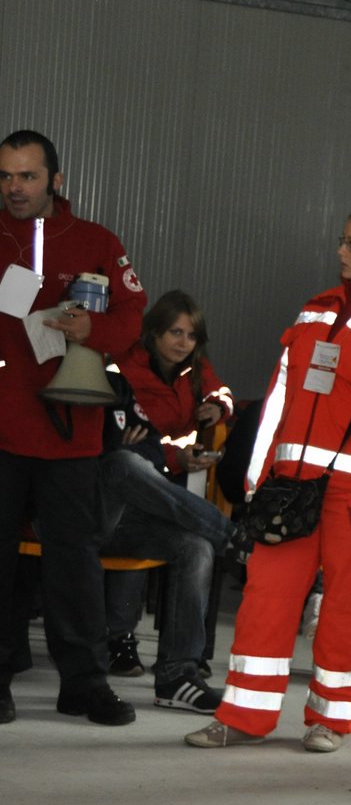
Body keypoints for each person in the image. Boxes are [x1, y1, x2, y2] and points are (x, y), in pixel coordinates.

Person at [184, 203, 351, 752]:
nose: (342, 252)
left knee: (349, 605)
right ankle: (243, 714)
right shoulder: (316, 310)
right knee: (266, 598)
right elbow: (279, 397)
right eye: (344, 241)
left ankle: (331, 717)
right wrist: (257, 479)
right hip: (290, 485)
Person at [0, 129, 146, 726]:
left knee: (75, 561)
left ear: (56, 181)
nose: (15, 188)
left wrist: (95, 332)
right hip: (2, 430)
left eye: (27, 176)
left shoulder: (96, 242)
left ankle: (83, 682)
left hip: (71, 429)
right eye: (6, 176)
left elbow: (133, 314)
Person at [99, 289, 239, 711]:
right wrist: (122, 441)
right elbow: (107, 434)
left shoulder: (196, 371)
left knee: (194, 545)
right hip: (99, 505)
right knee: (124, 462)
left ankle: (178, 676)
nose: (182, 342)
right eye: (175, 332)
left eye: (191, 335)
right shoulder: (120, 365)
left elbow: (223, 394)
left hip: (159, 483)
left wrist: (216, 408)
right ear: (154, 332)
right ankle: (233, 537)